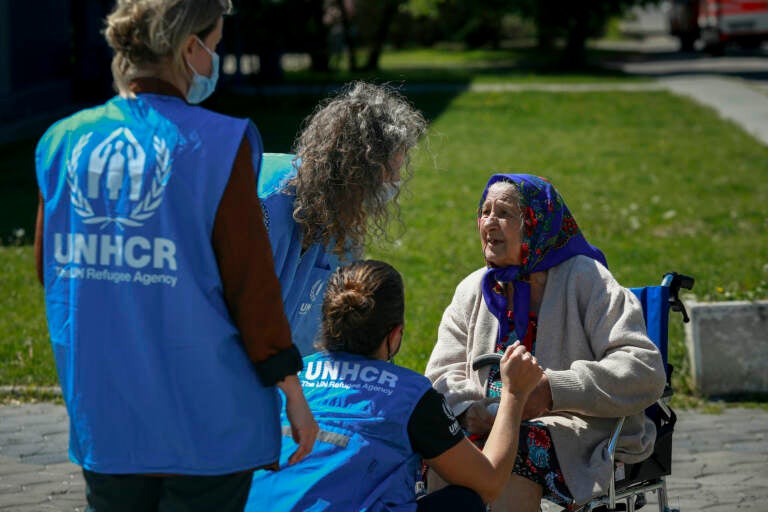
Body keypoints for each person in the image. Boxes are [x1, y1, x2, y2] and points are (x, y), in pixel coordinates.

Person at [33, 1, 317, 510]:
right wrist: (292, 391)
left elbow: (48, 270)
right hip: (205, 421)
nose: (215, 60)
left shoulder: (61, 142)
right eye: (217, 45)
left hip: (106, 415)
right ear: (191, 48)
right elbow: (251, 287)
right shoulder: (219, 145)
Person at [424, 174, 667, 510]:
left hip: (573, 426)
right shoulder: (473, 289)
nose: (489, 222)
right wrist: (470, 409)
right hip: (487, 419)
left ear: (536, 223)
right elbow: (442, 372)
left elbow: (643, 369)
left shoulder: (587, 280)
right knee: (447, 450)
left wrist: (553, 390)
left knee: (517, 451)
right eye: (484, 211)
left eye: (504, 213)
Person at [247, 260, 543, 511]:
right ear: (395, 334)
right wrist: (514, 395)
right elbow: (488, 482)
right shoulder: (410, 395)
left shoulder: (291, 376)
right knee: (464, 501)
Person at [257, 81, 427, 356]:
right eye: (387, 173)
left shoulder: (343, 217)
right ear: (353, 170)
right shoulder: (263, 203)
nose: (394, 183)